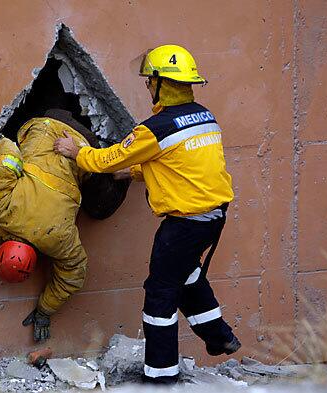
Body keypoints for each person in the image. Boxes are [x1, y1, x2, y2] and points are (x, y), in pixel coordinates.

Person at [54, 45, 241, 384]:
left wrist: (77, 151)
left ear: (159, 83)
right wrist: (136, 172)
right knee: (186, 275)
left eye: (147, 82)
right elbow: (180, 165)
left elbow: (106, 160)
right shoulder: (204, 117)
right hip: (213, 218)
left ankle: (161, 377)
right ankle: (219, 336)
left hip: (183, 224)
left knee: (160, 294)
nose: (145, 88)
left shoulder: (155, 128)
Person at [0, 111, 95, 342]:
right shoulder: (0, 209)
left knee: (102, 207)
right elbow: (8, 152)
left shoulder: (57, 241)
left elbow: (74, 275)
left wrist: (45, 310)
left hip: (84, 143)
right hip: (46, 122)